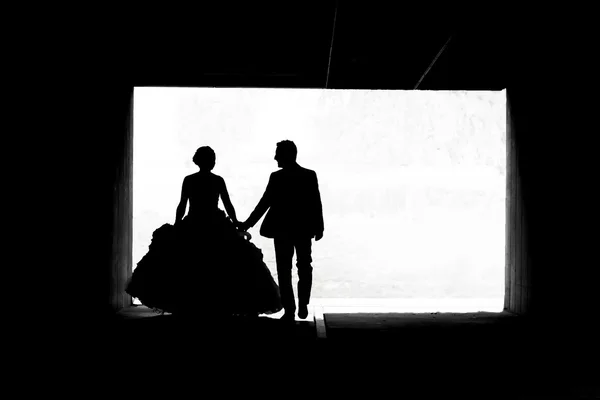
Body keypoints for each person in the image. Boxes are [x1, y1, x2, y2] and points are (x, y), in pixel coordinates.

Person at [125, 146, 283, 318]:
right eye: (213, 158)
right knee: (222, 266)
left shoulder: (189, 180)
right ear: (211, 162)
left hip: (193, 223)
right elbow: (228, 205)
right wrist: (236, 223)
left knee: (190, 266)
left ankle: (192, 303)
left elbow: (182, 205)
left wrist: (177, 225)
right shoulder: (218, 180)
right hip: (216, 225)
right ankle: (218, 303)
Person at [239, 140, 324, 321]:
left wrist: (247, 224)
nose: (275, 156)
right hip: (303, 229)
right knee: (304, 267)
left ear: (285, 155)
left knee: (284, 270)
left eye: (277, 153)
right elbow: (315, 203)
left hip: (282, 230)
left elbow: (264, 203)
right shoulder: (309, 175)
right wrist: (319, 227)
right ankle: (303, 305)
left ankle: (290, 310)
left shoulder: (276, 178)